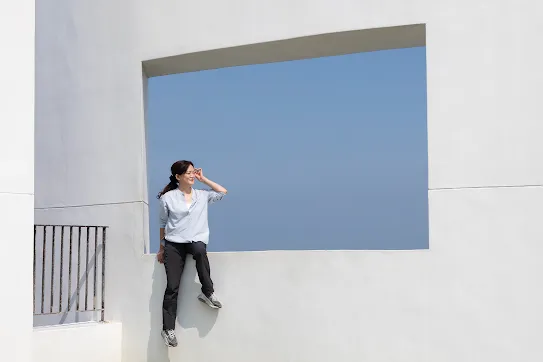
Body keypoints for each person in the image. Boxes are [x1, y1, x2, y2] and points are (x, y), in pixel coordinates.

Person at [156, 160, 227, 347]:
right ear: (178, 177)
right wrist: (162, 248)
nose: (191, 175)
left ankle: (207, 292)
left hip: (195, 240)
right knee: (172, 287)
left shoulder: (202, 195)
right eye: (188, 173)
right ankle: (168, 329)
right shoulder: (168, 198)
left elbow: (222, 192)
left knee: (200, 250)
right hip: (174, 244)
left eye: (193, 172)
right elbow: (163, 224)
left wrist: (204, 179)